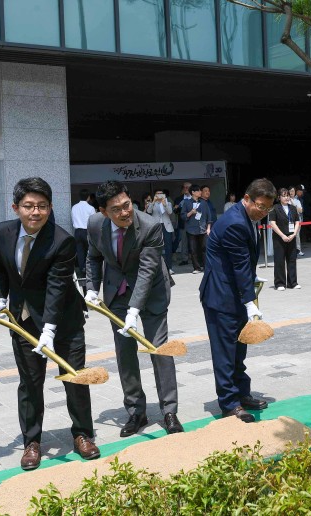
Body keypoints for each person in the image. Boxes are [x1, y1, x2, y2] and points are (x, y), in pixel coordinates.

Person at [0, 177, 100, 471]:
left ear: (50, 209)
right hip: (24, 320)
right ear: (16, 207)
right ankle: (32, 441)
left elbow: (57, 287)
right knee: (29, 383)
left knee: (74, 378)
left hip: (64, 321)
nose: (35, 212)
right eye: (28, 206)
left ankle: (82, 434)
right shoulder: (2, 232)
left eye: (41, 206)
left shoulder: (61, 240)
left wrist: (49, 329)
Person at [85, 180, 183, 437]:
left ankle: (169, 411)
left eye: (126, 205)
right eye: (115, 209)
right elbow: (93, 257)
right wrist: (91, 289)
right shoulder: (95, 225)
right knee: (125, 354)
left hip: (151, 293)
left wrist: (134, 310)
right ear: (104, 212)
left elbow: (148, 270)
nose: (124, 212)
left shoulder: (151, 226)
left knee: (158, 348)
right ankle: (136, 411)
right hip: (116, 293)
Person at [200, 178, 276, 422]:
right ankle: (229, 404)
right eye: (260, 206)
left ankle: (242, 394)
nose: (263, 212)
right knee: (225, 352)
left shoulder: (247, 218)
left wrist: (250, 284)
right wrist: (250, 300)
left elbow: (243, 263)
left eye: (267, 209)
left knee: (238, 349)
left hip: (233, 293)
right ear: (246, 198)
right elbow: (240, 264)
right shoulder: (235, 223)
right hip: (220, 296)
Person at [271, 188, 301, 290]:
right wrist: (282, 235)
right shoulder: (275, 208)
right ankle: (280, 283)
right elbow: (272, 223)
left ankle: (293, 282)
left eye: (287, 195)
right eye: (284, 196)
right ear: (279, 197)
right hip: (279, 238)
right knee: (279, 260)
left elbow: (297, 221)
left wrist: (294, 234)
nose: (286, 197)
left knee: (292, 259)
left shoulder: (292, 208)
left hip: (291, 236)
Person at [181, 184, 210, 274]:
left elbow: (208, 216)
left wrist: (208, 228)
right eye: (198, 191)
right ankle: (197, 268)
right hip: (191, 229)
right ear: (193, 192)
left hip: (202, 228)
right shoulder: (186, 202)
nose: (200, 192)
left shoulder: (204, 203)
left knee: (204, 248)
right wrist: (191, 212)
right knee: (193, 249)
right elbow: (183, 216)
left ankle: (206, 267)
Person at [145, 188, 175, 274]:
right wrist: (153, 202)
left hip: (166, 226)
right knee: (157, 247)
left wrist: (164, 204)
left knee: (168, 247)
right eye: (157, 194)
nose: (159, 195)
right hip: (156, 226)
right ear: (155, 195)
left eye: (161, 194)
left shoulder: (167, 203)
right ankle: (158, 268)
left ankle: (169, 267)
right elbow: (149, 211)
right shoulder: (152, 204)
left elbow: (170, 212)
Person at [71, 188, 95, 285]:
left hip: (77, 231)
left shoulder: (74, 207)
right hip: (87, 231)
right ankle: (90, 269)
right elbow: (93, 222)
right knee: (89, 251)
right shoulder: (91, 208)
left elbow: (73, 220)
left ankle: (82, 269)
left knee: (80, 251)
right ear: (88, 197)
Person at [173, 182, 192, 265]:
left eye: (188, 187)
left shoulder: (195, 198)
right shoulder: (178, 199)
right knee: (184, 241)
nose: (186, 189)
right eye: (184, 187)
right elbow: (175, 212)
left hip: (194, 223)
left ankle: (197, 258)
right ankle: (185, 259)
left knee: (195, 241)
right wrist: (176, 208)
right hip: (183, 223)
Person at [289, 186, 304, 255]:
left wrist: (293, 204)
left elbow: (300, 210)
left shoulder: (297, 201)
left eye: (293, 191)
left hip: (297, 220)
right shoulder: (285, 200)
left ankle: (298, 249)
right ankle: (290, 250)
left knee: (297, 235)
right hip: (289, 220)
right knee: (289, 234)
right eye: (290, 191)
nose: (292, 192)